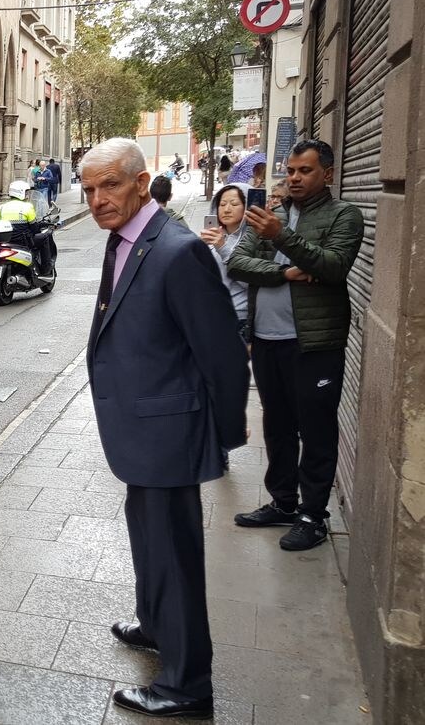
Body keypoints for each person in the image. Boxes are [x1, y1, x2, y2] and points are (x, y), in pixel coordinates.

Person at [80, 139, 248, 719]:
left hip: (169, 433)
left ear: (143, 181)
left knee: (174, 555)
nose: (98, 199)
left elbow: (223, 352)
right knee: (149, 538)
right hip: (143, 432)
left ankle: (185, 684)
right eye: (90, 189)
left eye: (110, 186)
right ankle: (155, 624)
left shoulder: (177, 252)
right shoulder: (126, 238)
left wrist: (222, 438)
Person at [228, 139, 366, 551]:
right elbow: (238, 264)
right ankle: (284, 503)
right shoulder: (270, 214)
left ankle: (313, 516)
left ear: (327, 173)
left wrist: (283, 238)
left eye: (304, 171)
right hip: (268, 341)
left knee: (317, 430)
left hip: (314, 344)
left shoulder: (345, 215)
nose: (294, 178)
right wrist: (285, 274)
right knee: (279, 427)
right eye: (290, 171)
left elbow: (333, 265)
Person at [200, 184, 252, 342]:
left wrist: (223, 248)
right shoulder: (212, 238)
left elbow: (251, 282)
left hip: (238, 318)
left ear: (247, 207)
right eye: (222, 204)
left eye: (234, 204)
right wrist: (199, 250)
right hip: (210, 316)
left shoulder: (254, 240)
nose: (227, 209)